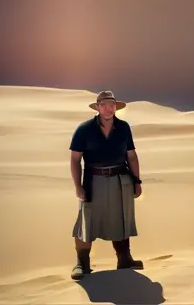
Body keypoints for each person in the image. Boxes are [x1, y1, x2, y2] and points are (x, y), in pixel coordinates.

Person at [68, 91, 144, 280]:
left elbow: (132, 156)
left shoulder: (124, 128)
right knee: (87, 221)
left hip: (120, 179)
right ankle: (82, 263)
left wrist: (137, 180)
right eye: (104, 105)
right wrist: (78, 186)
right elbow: (75, 160)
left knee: (121, 218)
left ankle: (124, 259)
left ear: (115, 107)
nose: (108, 108)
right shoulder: (84, 129)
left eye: (112, 105)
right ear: (98, 107)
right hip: (94, 181)